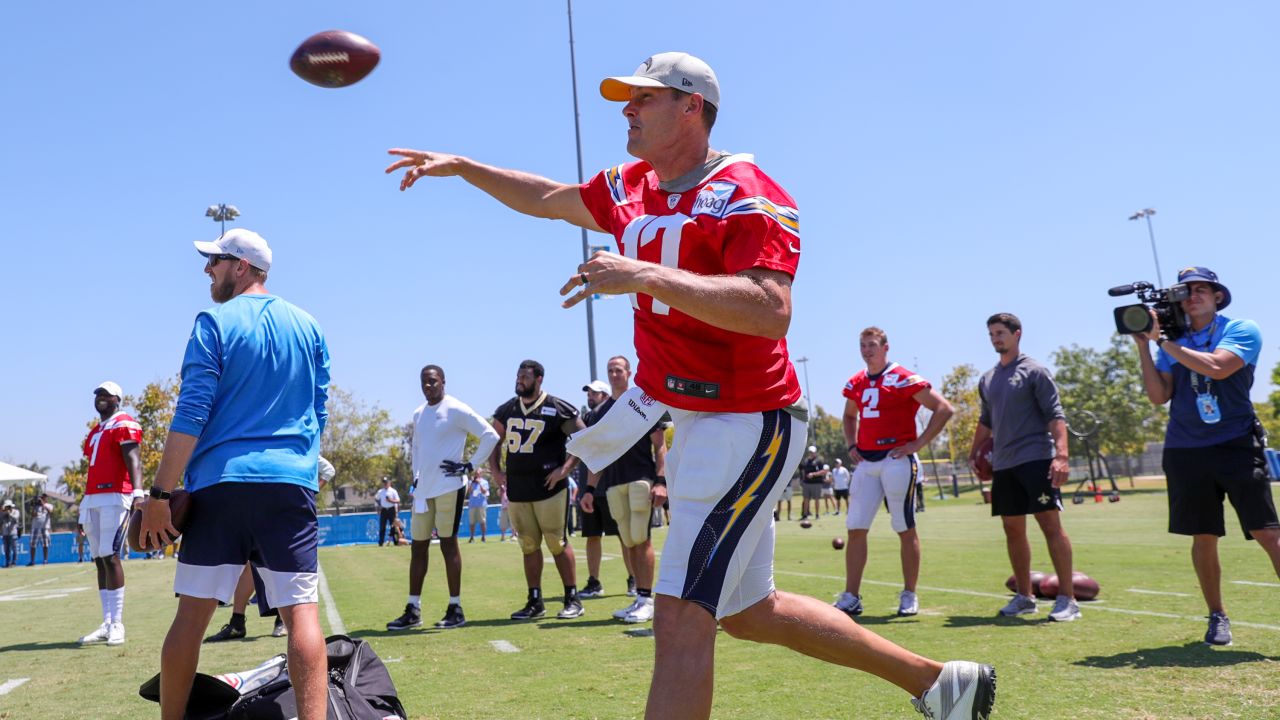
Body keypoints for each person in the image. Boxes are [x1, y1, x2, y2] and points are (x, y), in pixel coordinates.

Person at [387, 50, 994, 720]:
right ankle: (943, 684)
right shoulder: (628, 185)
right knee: (748, 611)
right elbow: (549, 199)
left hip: (751, 417)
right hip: (698, 419)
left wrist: (644, 275)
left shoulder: (747, 190)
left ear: (691, 108)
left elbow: (771, 310)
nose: (627, 110)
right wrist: (465, 168)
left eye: (644, 98)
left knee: (677, 613)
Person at [138, 228, 331, 720]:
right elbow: (318, 411)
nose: (208, 270)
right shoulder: (309, 326)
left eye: (216, 261)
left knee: (192, 615)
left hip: (220, 486)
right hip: (288, 484)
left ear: (242, 267)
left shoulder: (213, 321)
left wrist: (160, 492)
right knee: (302, 615)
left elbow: (190, 412)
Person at [1133, 267, 1279, 646]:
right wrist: (1143, 346)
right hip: (1186, 449)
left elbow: (1218, 367)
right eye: (1186, 291)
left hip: (1236, 443)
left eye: (1202, 289)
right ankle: (1217, 616)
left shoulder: (1241, 328)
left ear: (1218, 297)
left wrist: (1163, 341)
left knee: (1268, 532)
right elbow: (1158, 395)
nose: (1193, 295)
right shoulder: (1172, 340)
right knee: (1203, 535)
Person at [968, 312, 1080, 623]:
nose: (995, 338)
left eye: (1001, 332)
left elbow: (1055, 415)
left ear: (1017, 334)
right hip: (1004, 465)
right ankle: (1025, 597)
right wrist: (974, 452)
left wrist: (1061, 455)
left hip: (1036, 459)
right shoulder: (987, 379)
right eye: (991, 334)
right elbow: (986, 421)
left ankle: (1068, 599)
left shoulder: (1035, 371)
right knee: (1012, 529)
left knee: (1050, 526)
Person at [835, 327, 953, 618]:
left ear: (886, 347)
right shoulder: (857, 382)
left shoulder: (902, 377)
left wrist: (919, 443)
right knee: (855, 528)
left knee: (903, 527)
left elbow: (943, 408)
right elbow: (850, 415)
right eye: (862, 345)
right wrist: (851, 444)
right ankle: (851, 595)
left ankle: (909, 593)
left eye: (872, 345)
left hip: (895, 458)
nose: (867, 350)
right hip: (867, 462)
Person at [386, 364, 500, 632]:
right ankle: (413, 609)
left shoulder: (456, 408)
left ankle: (455, 607)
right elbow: (416, 448)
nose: (428, 386)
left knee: (448, 544)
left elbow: (490, 435)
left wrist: (469, 466)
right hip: (424, 491)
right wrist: (416, 478)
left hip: (449, 487)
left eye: (433, 381)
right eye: (424, 382)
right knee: (418, 547)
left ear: (443, 382)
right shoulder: (418, 413)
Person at [486, 360, 586, 621]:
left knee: (556, 541)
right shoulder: (507, 409)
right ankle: (534, 601)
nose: (519, 380)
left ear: (539, 378)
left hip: (549, 488)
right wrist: (496, 472)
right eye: (518, 376)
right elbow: (492, 441)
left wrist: (565, 468)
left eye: (525, 377)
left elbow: (584, 438)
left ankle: (572, 598)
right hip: (519, 488)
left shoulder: (556, 407)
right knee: (528, 545)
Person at [205, 455, 336, 643]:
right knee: (250, 564)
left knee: (283, 566)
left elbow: (328, 469)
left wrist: (309, 491)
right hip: (256, 506)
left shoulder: (295, 442)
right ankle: (237, 622)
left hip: (287, 511)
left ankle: (281, 621)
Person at [580, 355, 669, 623]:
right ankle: (639, 598)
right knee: (629, 540)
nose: (614, 374)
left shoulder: (641, 402)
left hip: (640, 476)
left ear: (629, 372)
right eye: (610, 370)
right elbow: (598, 454)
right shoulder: (601, 412)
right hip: (613, 482)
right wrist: (588, 488)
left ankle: (647, 599)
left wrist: (661, 481)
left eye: (619, 369)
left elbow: (660, 445)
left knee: (641, 538)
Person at [577, 376, 636, 599]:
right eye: (588, 393)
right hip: (590, 487)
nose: (590, 396)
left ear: (604, 395)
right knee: (592, 536)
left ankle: (634, 579)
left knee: (625, 536)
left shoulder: (613, 413)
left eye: (594, 393)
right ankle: (594, 582)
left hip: (612, 484)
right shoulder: (587, 417)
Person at [798, 446, 827, 521]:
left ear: (815, 452)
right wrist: (802, 479)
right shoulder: (806, 461)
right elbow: (802, 470)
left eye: (812, 452)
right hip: (807, 483)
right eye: (810, 452)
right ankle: (805, 515)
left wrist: (813, 474)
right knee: (806, 499)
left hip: (816, 483)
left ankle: (817, 515)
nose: (811, 453)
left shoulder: (819, 461)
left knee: (816, 499)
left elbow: (823, 471)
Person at [375, 478, 401, 547]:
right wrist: (378, 507)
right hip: (384, 510)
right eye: (384, 482)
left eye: (386, 482)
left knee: (394, 527)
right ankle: (381, 543)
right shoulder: (380, 491)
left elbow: (398, 500)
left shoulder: (393, 491)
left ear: (389, 483)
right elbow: (376, 499)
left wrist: (390, 500)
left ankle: (396, 542)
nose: (385, 484)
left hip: (391, 509)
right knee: (382, 526)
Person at [467, 474, 490, 543]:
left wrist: (479, 483)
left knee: (482, 521)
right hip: (472, 505)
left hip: (481, 504)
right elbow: (469, 492)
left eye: (477, 473)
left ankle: (483, 537)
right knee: (472, 522)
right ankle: (472, 537)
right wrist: (471, 483)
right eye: (475, 473)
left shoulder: (484, 482)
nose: (476, 475)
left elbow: (484, 491)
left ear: (480, 474)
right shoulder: (470, 482)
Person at [1, 500, 18, 568]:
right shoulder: (3, 513)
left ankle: (14, 562)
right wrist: (3, 513)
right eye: (6, 507)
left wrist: (9, 514)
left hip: (13, 533)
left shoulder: (16, 512)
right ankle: (8, 563)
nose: (7, 508)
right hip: (5, 533)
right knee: (6, 550)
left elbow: (15, 519)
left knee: (14, 549)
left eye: (8, 507)